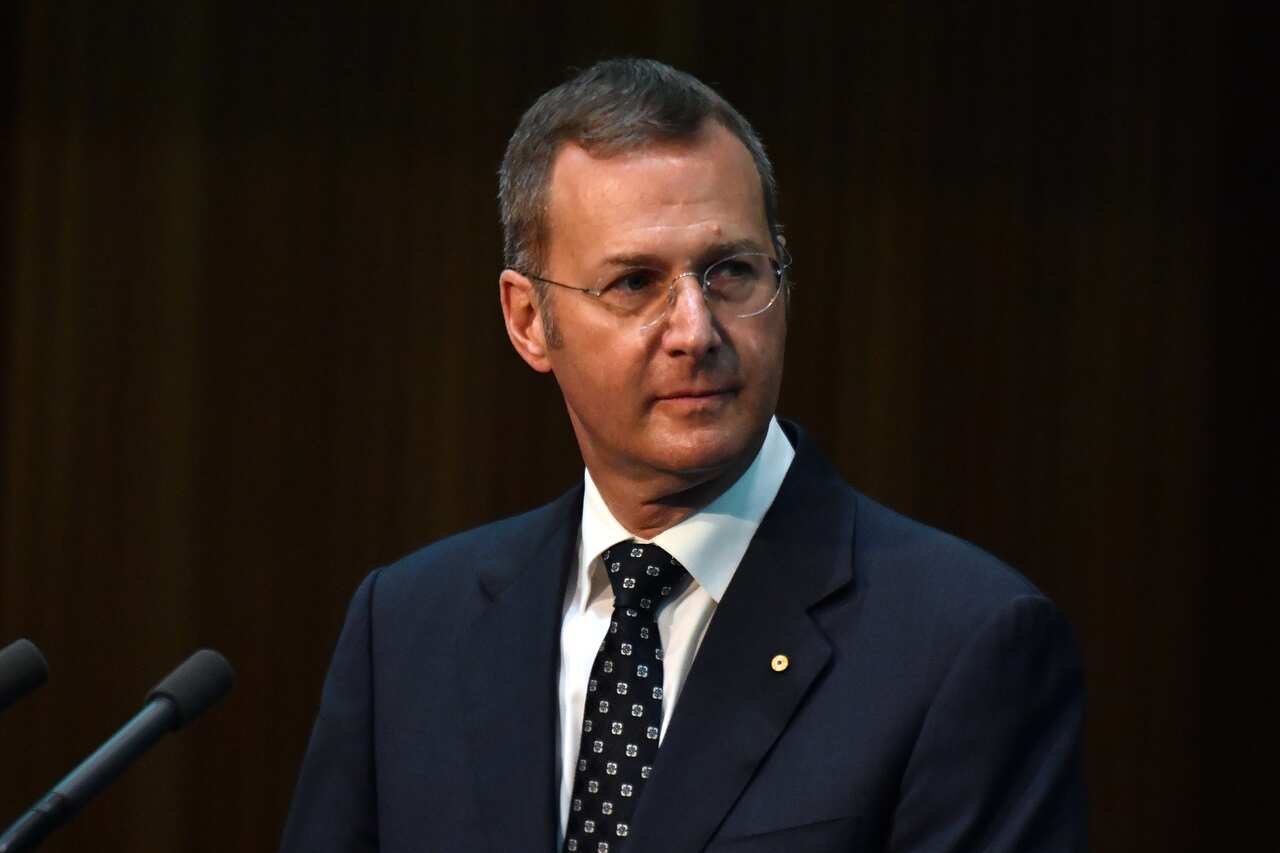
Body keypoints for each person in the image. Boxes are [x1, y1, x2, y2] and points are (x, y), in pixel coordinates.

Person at [280, 58, 1086, 853]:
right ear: (528, 320)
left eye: (731, 271)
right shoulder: (411, 626)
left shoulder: (963, 643)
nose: (696, 331)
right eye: (635, 283)